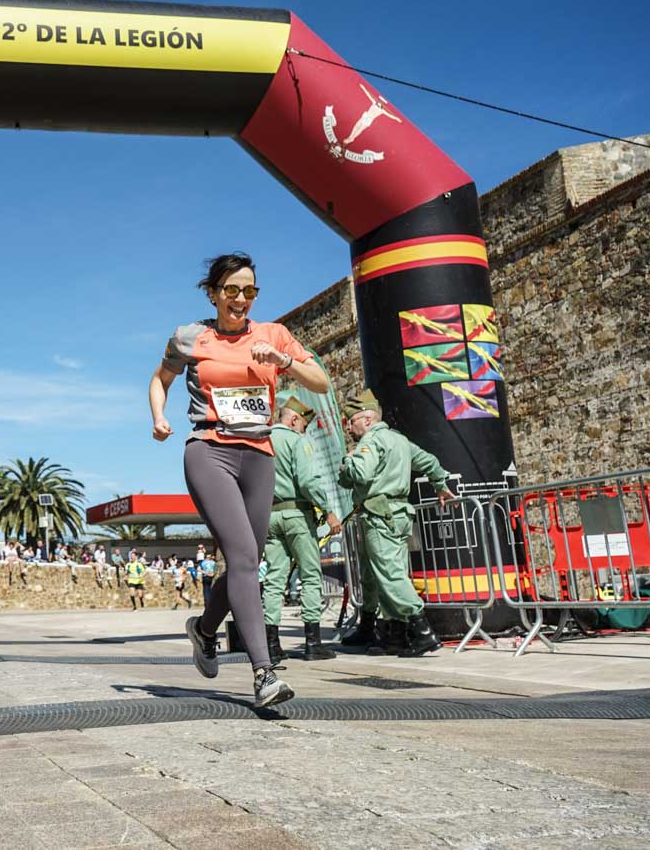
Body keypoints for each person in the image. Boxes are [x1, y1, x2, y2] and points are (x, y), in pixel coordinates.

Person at [151, 252, 329, 708]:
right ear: (213, 294)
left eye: (250, 290)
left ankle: (204, 629)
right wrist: (159, 416)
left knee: (246, 562)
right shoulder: (190, 336)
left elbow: (320, 382)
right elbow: (160, 379)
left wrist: (284, 361)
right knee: (246, 557)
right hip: (209, 450)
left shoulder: (274, 335)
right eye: (232, 289)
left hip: (259, 455)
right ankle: (263, 673)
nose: (241, 298)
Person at [338, 389, 455, 657]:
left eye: (352, 421)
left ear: (367, 419)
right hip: (400, 513)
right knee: (390, 573)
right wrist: (439, 484)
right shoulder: (400, 440)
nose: (349, 427)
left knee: (390, 576)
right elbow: (430, 461)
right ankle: (396, 636)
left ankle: (423, 632)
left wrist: (347, 462)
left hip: (379, 514)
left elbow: (360, 473)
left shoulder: (370, 441)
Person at [262, 396, 343, 663]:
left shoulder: (261, 440)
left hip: (269, 515)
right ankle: (313, 643)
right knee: (310, 575)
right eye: (304, 426)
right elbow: (308, 481)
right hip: (296, 514)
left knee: (274, 579)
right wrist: (328, 510)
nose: (304, 431)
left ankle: (271, 645)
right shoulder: (296, 441)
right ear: (294, 419)